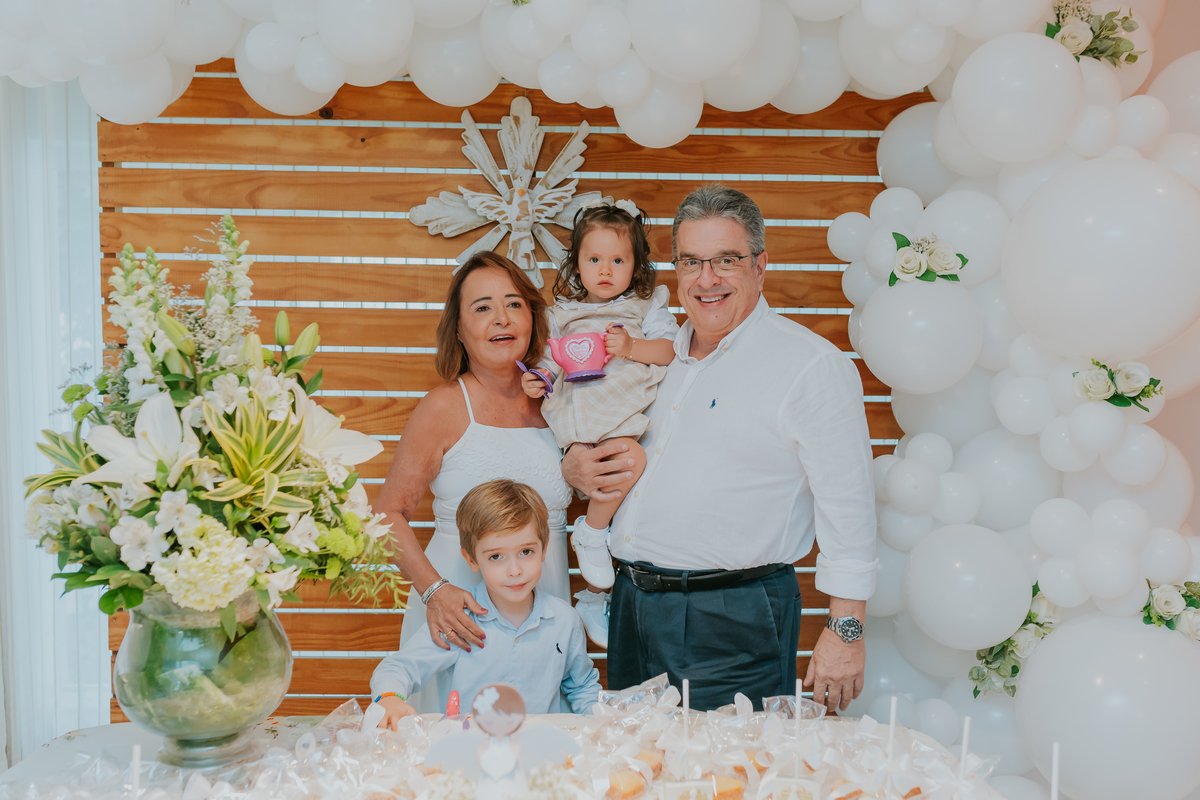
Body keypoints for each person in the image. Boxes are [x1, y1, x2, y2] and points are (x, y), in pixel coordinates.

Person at [561, 185, 878, 712]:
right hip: (631, 607)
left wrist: (846, 632)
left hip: (731, 617)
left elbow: (849, 507)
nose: (707, 279)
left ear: (760, 265)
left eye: (726, 259)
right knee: (632, 778)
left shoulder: (810, 366)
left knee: (724, 781)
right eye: (691, 262)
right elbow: (599, 432)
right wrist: (575, 466)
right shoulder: (649, 360)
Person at [374, 251, 574, 714]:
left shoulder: (562, 401)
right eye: (482, 307)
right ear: (459, 329)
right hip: (460, 618)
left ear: (532, 316)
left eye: (514, 303)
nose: (501, 318)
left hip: (545, 610)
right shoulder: (443, 407)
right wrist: (434, 591)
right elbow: (386, 513)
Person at [521, 200, 679, 647]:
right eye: (594, 259)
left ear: (636, 265)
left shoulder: (647, 307)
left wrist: (631, 346)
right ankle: (594, 578)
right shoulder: (560, 315)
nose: (605, 270)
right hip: (579, 414)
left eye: (618, 260)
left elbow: (668, 352)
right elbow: (548, 363)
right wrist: (538, 381)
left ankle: (591, 538)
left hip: (621, 416)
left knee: (629, 459)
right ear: (576, 264)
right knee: (601, 473)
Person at [371, 479, 601, 728]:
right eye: (496, 556)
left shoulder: (565, 620)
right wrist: (389, 698)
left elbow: (582, 687)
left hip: (539, 756)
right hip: (468, 755)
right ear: (471, 560)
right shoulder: (458, 619)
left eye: (526, 552)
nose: (515, 571)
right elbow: (398, 668)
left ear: (544, 549)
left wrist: (602, 721)